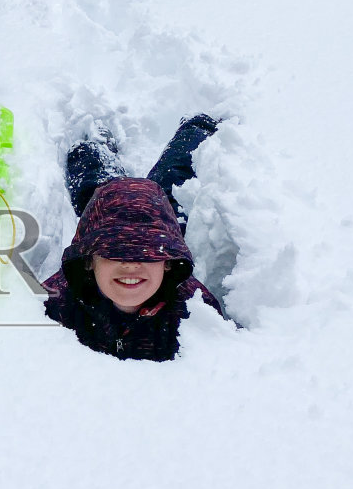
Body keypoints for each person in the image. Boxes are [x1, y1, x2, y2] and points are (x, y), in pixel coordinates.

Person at [42, 114, 225, 361]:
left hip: (157, 219)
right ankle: (93, 146)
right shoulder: (56, 299)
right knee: (94, 188)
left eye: (147, 253)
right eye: (113, 252)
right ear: (88, 260)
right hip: (109, 214)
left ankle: (197, 126)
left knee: (170, 180)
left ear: (168, 262)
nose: (130, 263)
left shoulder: (194, 306)